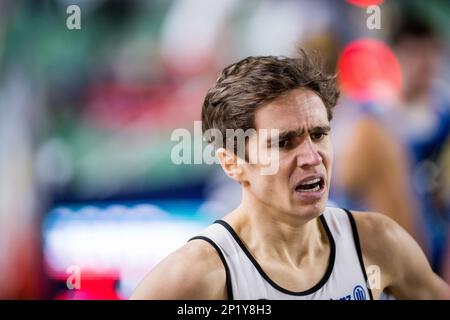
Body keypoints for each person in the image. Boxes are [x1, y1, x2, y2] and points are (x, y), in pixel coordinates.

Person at [131, 51, 450, 300]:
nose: (313, 157)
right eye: (284, 143)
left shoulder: (377, 241)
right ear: (232, 163)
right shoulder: (199, 275)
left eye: (319, 134)